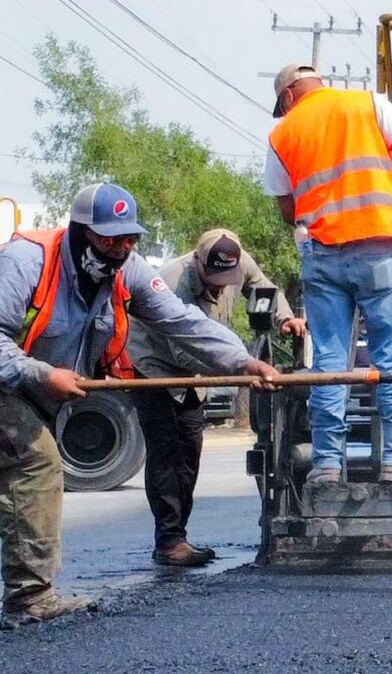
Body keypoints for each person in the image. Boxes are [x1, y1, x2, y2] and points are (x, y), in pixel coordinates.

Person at [0, 182, 282, 627]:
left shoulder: (127, 268)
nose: (120, 249)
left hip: (17, 376)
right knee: (34, 462)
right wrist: (42, 375)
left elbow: (181, 320)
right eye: (109, 239)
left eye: (129, 239)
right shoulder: (25, 261)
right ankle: (29, 596)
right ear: (80, 232)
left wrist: (242, 361)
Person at [262, 62, 392, 504]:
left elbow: (287, 209)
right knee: (391, 354)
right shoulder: (369, 103)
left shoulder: (282, 133)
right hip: (378, 249)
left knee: (329, 360)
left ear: (288, 96)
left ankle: (327, 464)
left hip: (321, 256)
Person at [125, 227, 306, 567]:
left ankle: (178, 535)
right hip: (155, 366)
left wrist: (285, 319)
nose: (221, 287)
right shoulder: (172, 282)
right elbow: (183, 348)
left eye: (227, 279)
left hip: (200, 365)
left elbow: (264, 287)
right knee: (166, 452)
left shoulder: (238, 260)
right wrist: (242, 369)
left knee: (190, 449)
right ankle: (169, 542)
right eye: (214, 279)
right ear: (198, 262)